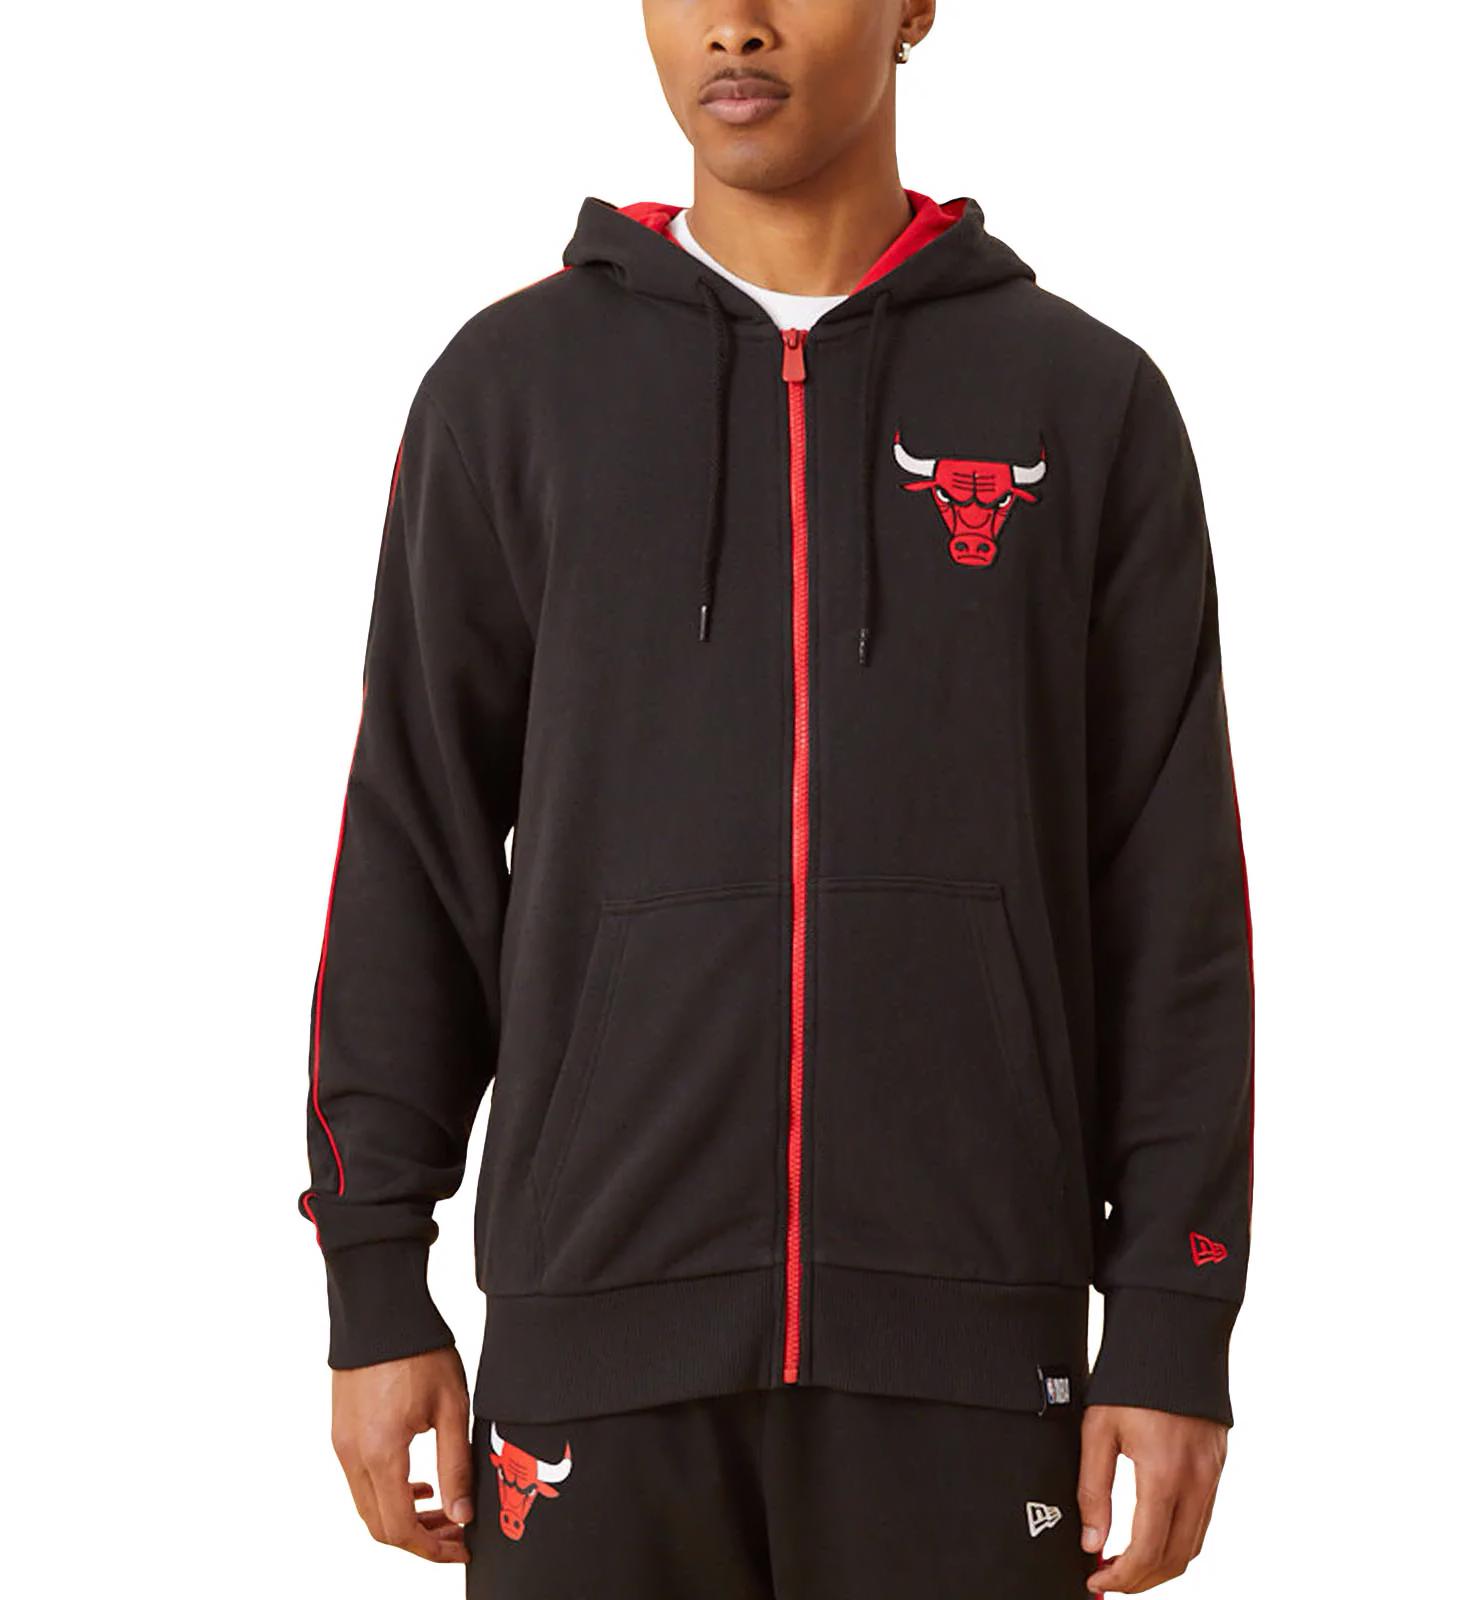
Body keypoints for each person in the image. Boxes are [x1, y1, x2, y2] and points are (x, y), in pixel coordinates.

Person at [299, 3, 1254, 1594]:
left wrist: (1171, 1313)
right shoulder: (511, 390)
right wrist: (373, 1274)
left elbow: (1171, 896)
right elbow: (415, 843)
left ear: (913, 8)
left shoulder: (1083, 403)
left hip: (968, 1354)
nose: (735, 22)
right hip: (596, 1342)